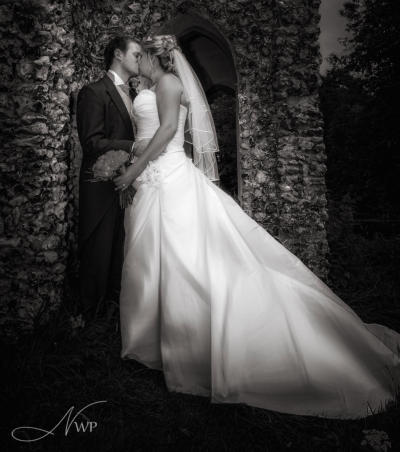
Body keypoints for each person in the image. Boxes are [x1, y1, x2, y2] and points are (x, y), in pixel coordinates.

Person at [113, 35, 400, 419]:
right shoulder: (153, 85)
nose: (138, 63)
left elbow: (167, 132)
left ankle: (188, 348)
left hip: (167, 173)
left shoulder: (167, 83)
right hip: (157, 176)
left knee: (185, 261)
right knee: (161, 258)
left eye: (141, 56)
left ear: (154, 56)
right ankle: (158, 342)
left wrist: (134, 167)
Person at [76, 35, 141, 319]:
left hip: (127, 181)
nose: (140, 60)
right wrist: (131, 147)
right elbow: (91, 142)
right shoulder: (93, 92)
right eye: (136, 54)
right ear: (118, 54)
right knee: (98, 250)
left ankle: (113, 312)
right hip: (100, 186)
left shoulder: (135, 96)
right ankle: (89, 315)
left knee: (119, 248)